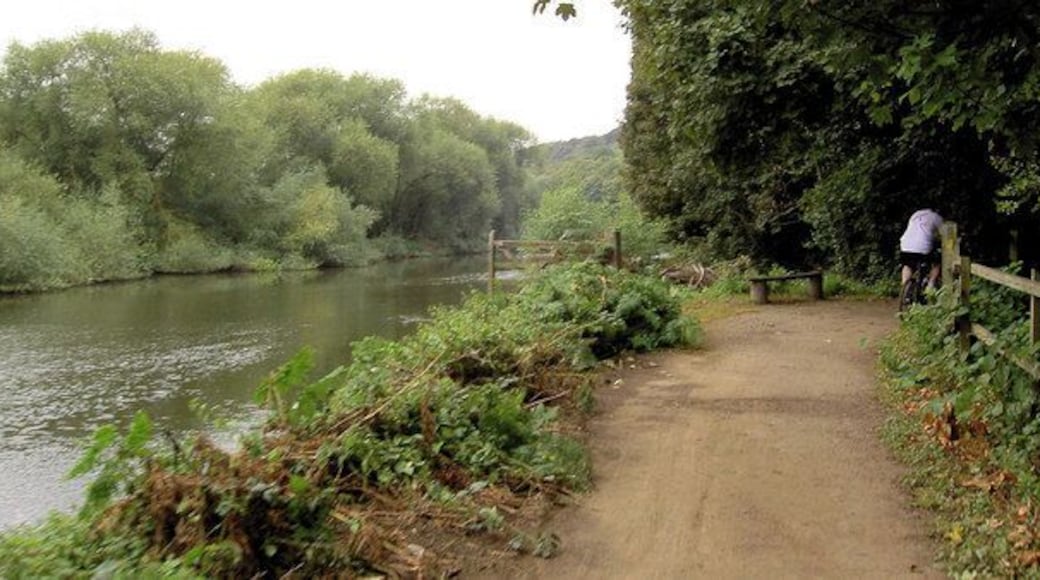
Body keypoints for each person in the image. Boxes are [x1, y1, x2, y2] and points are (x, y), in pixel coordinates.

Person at [899, 208, 944, 289]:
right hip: (923, 246)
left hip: (906, 244)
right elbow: (943, 234)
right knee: (936, 263)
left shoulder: (916, 214)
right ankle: (931, 285)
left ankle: (905, 287)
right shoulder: (936, 217)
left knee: (908, 265)